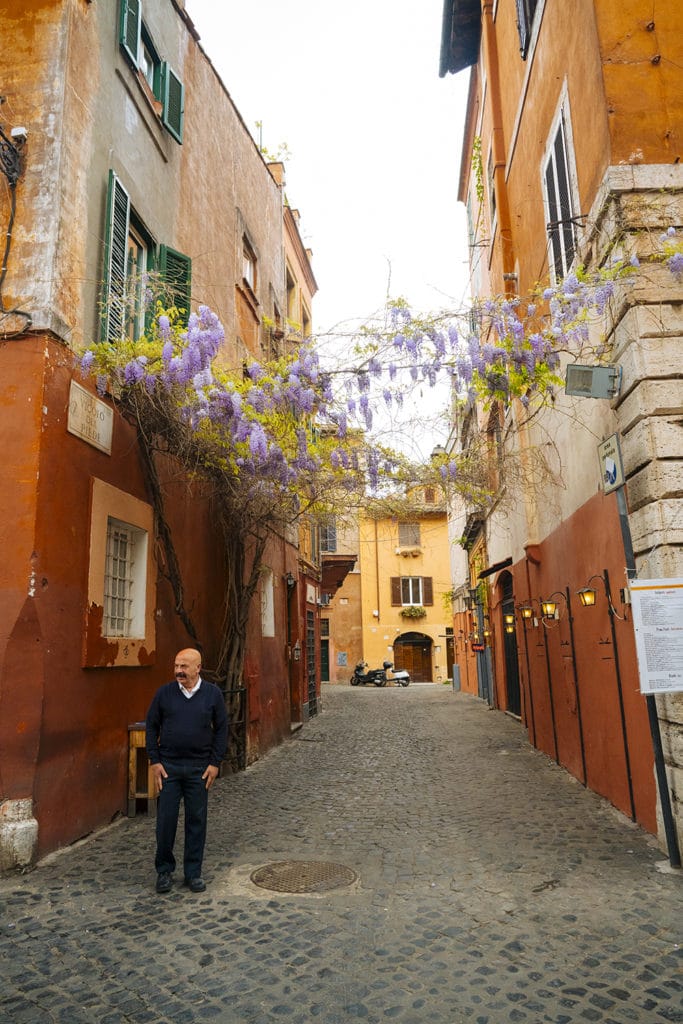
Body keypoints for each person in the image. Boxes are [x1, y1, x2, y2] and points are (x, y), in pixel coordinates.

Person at [146, 648, 228, 894]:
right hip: (169, 768)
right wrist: (155, 760)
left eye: (184, 666)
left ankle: (193, 873)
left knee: (196, 821)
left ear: (198, 668)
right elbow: (151, 725)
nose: (178, 671)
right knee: (165, 822)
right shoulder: (164, 694)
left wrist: (214, 763)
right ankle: (164, 871)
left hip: (198, 770)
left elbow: (222, 729)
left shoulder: (212, 694)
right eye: (176, 665)